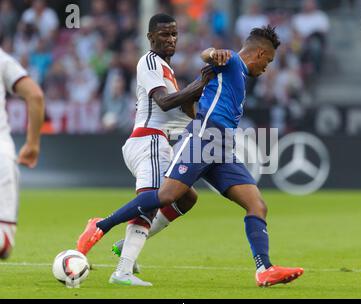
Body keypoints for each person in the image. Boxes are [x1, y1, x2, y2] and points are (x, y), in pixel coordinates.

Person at [77, 25, 304, 287]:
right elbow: (208, 54)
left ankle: (265, 269)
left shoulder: (239, 75)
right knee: (167, 196)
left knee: (257, 205)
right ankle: (100, 225)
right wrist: (213, 53)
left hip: (221, 147)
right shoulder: (230, 61)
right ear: (261, 54)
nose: (267, 69)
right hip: (203, 136)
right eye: (269, 62)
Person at [77, 13, 217, 286]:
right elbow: (164, 103)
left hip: (157, 142)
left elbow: (184, 109)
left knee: (186, 197)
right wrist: (200, 83)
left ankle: (123, 243)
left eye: (174, 34)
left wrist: (202, 94)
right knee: (151, 203)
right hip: (150, 141)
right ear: (151, 37)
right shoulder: (150, 61)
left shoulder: (168, 71)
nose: (171, 39)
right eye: (165, 34)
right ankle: (122, 269)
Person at [0, 47, 45, 259]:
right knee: (3, 244)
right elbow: (35, 95)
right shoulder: (3, 60)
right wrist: (32, 144)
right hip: (1, 156)